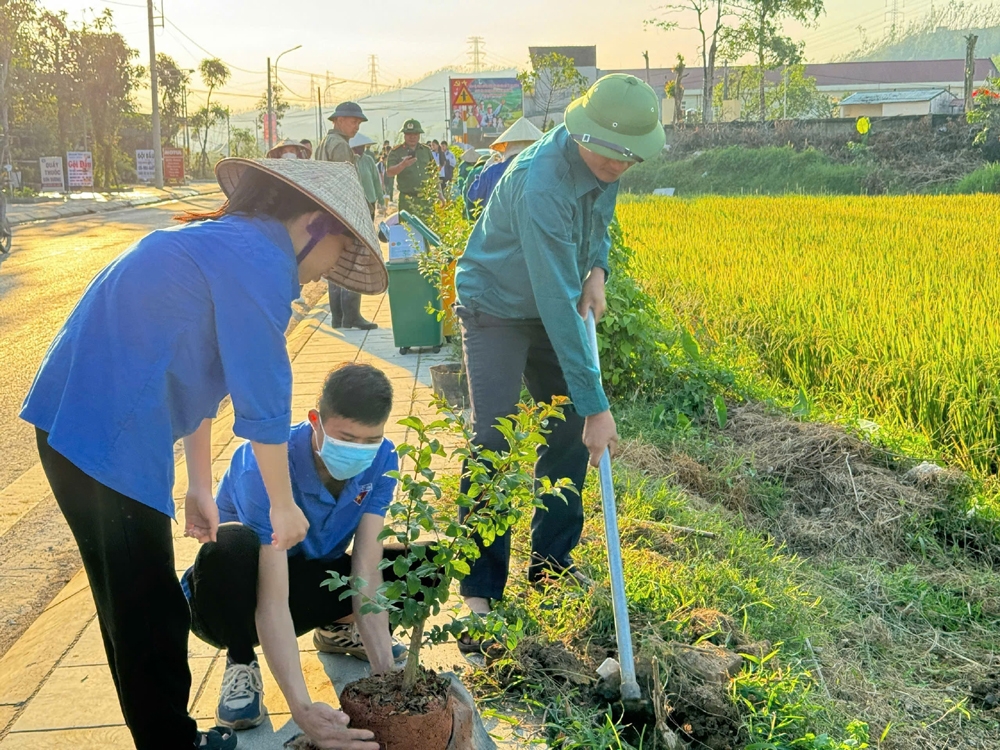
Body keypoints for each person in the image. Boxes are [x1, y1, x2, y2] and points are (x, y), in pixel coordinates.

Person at [19, 157, 387, 750]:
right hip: (103, 432)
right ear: (316, 224)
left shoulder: (230, 244)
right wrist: (284, 503)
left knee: (133, 601)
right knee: (146, 608)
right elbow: (263, 395)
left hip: (85, 423)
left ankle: (167, 738)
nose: (324, 277)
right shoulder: (259, 261)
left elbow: (198, 374)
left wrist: (197, 482)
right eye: (336, 250)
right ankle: (173, 744)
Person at [452, 74, 666, 644]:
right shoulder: (540, 180)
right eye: (609, 152)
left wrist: (597, 269)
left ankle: (551, 566)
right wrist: (599, 404)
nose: (618, 166)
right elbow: (552, 297)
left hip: (552, 296)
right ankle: (479, 591)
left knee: (568, 429)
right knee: (494, 438)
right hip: (495, 303)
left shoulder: (605, 168)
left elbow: (597, 226)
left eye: (629, 158)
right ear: (581, 131)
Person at [183, 363, 406, 747]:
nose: (359, 451)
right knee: (231, 549)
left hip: (311, 572)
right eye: (347, 438)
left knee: (418, 568)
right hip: (239, 592)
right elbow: (272, 600)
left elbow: (366, 569)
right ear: (315, 420)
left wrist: (387, 679)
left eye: (371, 440)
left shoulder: (383, 458)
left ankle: (336, 629)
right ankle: (241, 661)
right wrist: (301, 708)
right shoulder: (265, 463)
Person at [315, 101, 379, 331]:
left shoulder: (324, 143)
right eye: (354, 122)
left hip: (330, 211)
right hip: (344, 211)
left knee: (335, 264)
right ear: (339, 120)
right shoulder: (340, 145)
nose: (356, 127)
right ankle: (351, 316)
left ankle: (338, 317)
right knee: (352, 262)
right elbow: (348, 183)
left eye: (358, 123)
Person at [466, 117, 543, 215]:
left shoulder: (493, 171)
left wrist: (485, 170)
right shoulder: (542, 170)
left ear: (509, 146)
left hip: (498, 227)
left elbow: (474, 195)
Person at [385, 119, 435, 219]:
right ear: (404, 135)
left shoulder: (426, 151)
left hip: (426, 198)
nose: (412, 137)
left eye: (415, 134)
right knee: (407, 230)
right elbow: (389, 173)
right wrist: (402, 165)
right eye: (409, 134)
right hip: (407, 199)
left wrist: (439, 194)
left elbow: (434, 174)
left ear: (419, 135)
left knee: (428, 230)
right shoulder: (396, 152)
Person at [350, 133, 385, 217]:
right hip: (355, 202)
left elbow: (376, 180)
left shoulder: (369, 160)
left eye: (363, 146)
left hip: (370, 200)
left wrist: (381, 199)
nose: (361, 149)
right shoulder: (349, 160)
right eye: (358, 147)